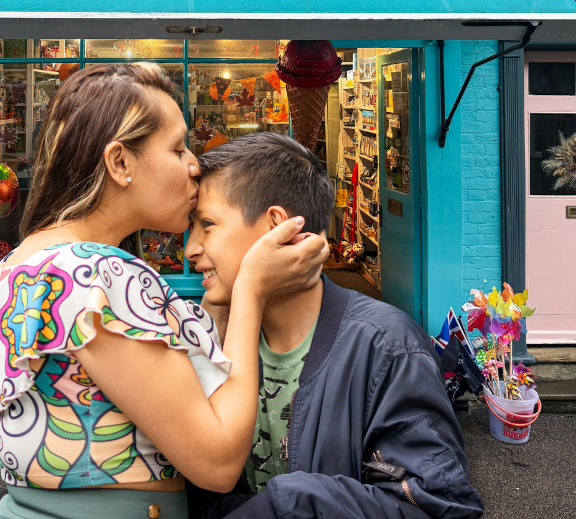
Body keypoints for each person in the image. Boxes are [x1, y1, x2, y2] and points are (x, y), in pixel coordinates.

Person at [0, 64, 330, 519]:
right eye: (177, 149)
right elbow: (219, 462)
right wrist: (250, 291)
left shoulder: (24, 261)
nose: (194, 164)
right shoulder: (99, 274)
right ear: (120, 162)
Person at [184, 132, 485, 519]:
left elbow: (437, 506)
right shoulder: (218, 332)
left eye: (207, 224)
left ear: (276, 227)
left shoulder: (387, 347)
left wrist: (289, 504)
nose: (190, 249)